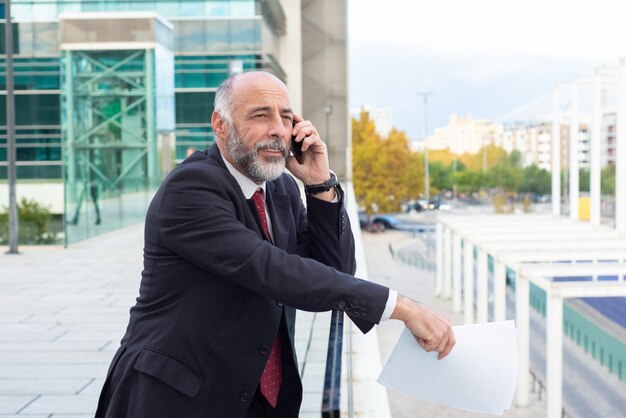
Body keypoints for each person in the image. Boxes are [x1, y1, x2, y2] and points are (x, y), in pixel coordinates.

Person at [95, 71, 455, 418]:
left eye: (286, 117)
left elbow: (334, 271)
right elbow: (271, 270)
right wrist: (401, 307)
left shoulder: (280, 187)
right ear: (221, 125)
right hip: (176, 398)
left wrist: (319, 185)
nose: (278, 130)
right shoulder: (190, 188)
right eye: (260, 115)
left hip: (258, 397)